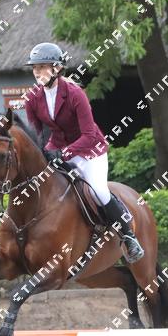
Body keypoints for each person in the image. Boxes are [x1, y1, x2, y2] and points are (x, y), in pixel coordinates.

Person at [23, 42, 144, 263]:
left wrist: (64, 153)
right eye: (35, 68)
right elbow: (37, 134)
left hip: (90, 151)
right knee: (33, 185)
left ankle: (128, 236)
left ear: (57, 68)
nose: (37, 72)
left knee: (99, 191)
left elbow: (88, 134)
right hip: (57, 147)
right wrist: (41, 154)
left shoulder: (75, 94)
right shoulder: (32, 98)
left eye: (42, 67)